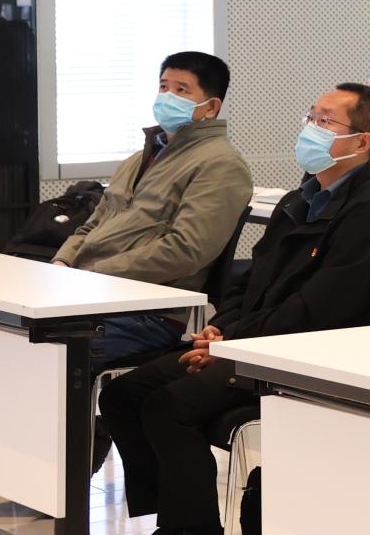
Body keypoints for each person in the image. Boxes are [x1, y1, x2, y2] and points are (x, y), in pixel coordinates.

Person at [102, 85, 370, 535]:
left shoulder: (369, 215)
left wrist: (233, 348)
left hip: (302, 358)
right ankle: (175, 528)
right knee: (123, 394)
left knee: (167, 406)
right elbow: (251, 280)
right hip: (252, 344)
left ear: (362, 141)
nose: (310, 127)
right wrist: (220, 328)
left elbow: (316, 310)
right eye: (311, 115)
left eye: (326, 121)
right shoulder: (299, 200)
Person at [58, 50, 256, 370]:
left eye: (181, 90)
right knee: (11, 331)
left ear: (211, 107)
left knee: (41, 351)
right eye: (164, 86)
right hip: (95, 294)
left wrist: (96, 275)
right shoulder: (140, 158)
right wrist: (63, 263)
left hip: (147, 313)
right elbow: (92, 225)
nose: (167, 96)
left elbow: (186, 249)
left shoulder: (220, 164)